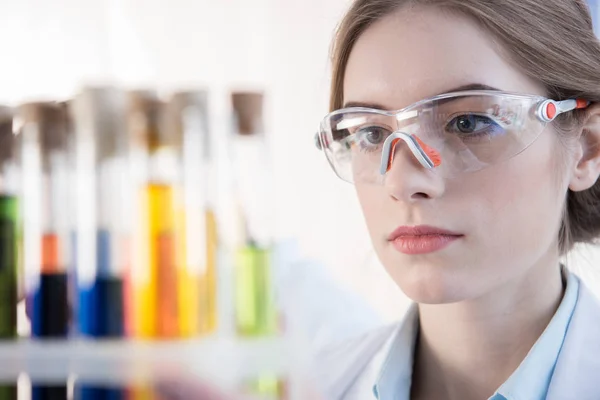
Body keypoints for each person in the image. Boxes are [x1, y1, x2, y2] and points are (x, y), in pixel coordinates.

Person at [156, 0, 600, 398]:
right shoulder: (315, 386)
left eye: (467, 122)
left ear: (587, 147)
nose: (402, 181)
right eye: (371, 133)